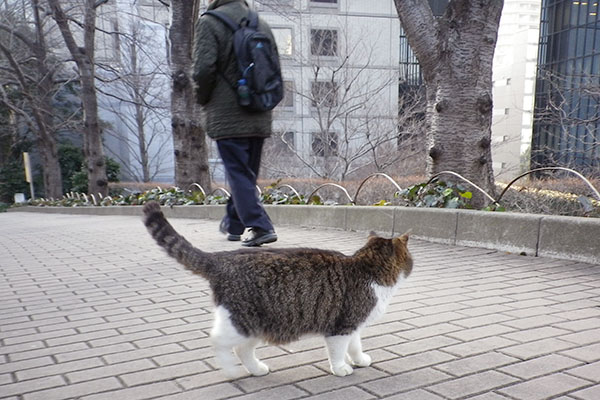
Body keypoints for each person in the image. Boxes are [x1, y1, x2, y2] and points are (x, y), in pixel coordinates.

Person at [192, 0, 278, 247]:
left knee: (238, 173)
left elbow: (202, 70)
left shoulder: (209, 22)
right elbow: (274, 68)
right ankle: (234, 223)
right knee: (244, 174)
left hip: (228, 115)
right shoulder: (259, 22)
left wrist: (203, 99)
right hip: (260, 112)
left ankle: (261, 226)